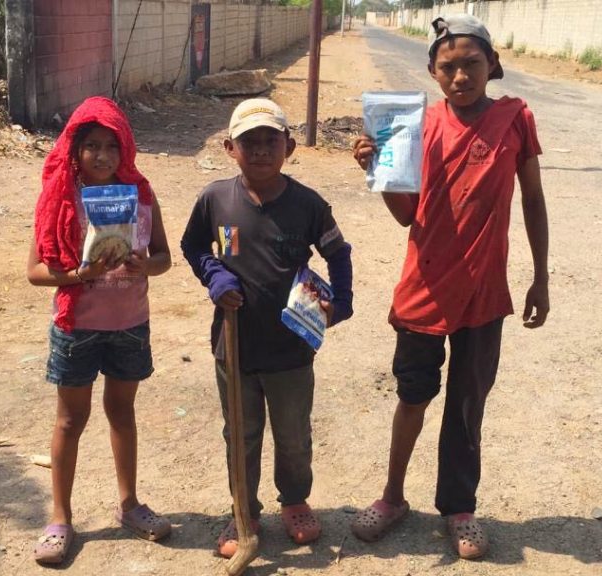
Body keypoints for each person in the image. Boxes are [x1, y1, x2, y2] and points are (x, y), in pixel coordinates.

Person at [350, 14, 550, 560]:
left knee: (467, 405)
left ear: (492, 65)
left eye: (471, 64)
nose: (460, 75)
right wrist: (379, 171)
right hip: (425, 288)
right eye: (448, 67)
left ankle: (459, 507)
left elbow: (532, 199)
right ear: (433, 72)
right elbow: (404, 215)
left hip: (483, 295)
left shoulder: (515, 119)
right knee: (412, 396)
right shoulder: (415, 127)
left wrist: (540, 275)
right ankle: (393, 496)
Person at [181, 98, 354, 558]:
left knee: (293, 434)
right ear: (229, 147)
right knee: (240, 433)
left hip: (293, 348)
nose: (260, 150)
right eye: (248, 142)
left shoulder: (308, 205)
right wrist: (214, 275)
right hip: (234, 346)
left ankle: (294, 500)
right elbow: (193, 245)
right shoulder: (215, 199)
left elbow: (338, 252)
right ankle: (245, 511)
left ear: (289, 147)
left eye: (269, 141)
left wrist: (342, 301)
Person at [28, 96, 173, 565]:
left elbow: (165, 259)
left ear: (125, 148)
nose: (103, 156)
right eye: (92, 146)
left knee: (122, 414)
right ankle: (60, 518)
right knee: (70, 420)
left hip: (129, 323)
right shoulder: (58, 198)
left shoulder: (141, 195)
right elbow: (34, 271)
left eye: (112, 146)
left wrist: (143, 264)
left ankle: (129, 505)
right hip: (78, 326)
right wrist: (78, 276)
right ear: (75, 149)